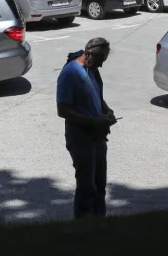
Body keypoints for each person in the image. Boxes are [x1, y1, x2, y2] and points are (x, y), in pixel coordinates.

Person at [56, 37, 116, 219]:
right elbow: (62, 110)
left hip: (98, 136)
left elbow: (97, 95)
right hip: (80, 138)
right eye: (99, 60)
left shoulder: (93, 69)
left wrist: (107, 111)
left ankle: (99, 222)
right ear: (88, 54)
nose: (101, 66)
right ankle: (83, 224)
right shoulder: (70, 74)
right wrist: (92, 122)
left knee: (99, 183)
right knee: (86, 186)